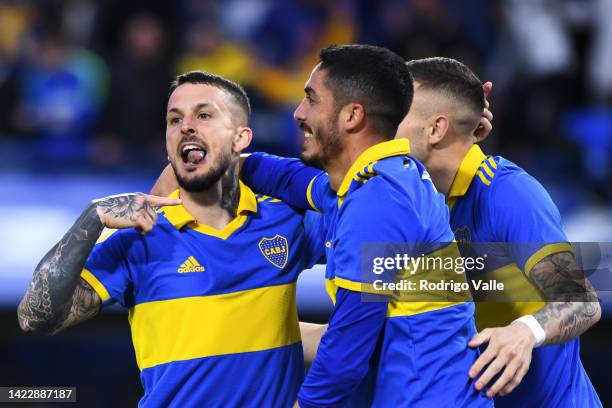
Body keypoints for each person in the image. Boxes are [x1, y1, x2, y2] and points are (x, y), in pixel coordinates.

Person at [18, 71, 323, 407]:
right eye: (174, 119)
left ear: (241, 138)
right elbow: (34, 317)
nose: (186, 126)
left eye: (203, 115)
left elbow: (374, 232)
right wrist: (90, 221)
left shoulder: (284, 220)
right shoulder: (140, 240)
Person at [239, 45, 491, 407]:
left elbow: (344, 358)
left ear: (352, 116)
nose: (298, 112)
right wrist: (240, 165)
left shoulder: (379, 204)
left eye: (311, 98)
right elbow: (294, 180)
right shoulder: (378, 181)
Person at [395, 57, 601, 407]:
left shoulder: (506, 193)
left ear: (435, 129)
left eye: (396, 113)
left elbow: (581, 301)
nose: (382, 125)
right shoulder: (415, 201)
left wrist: (525, 332)